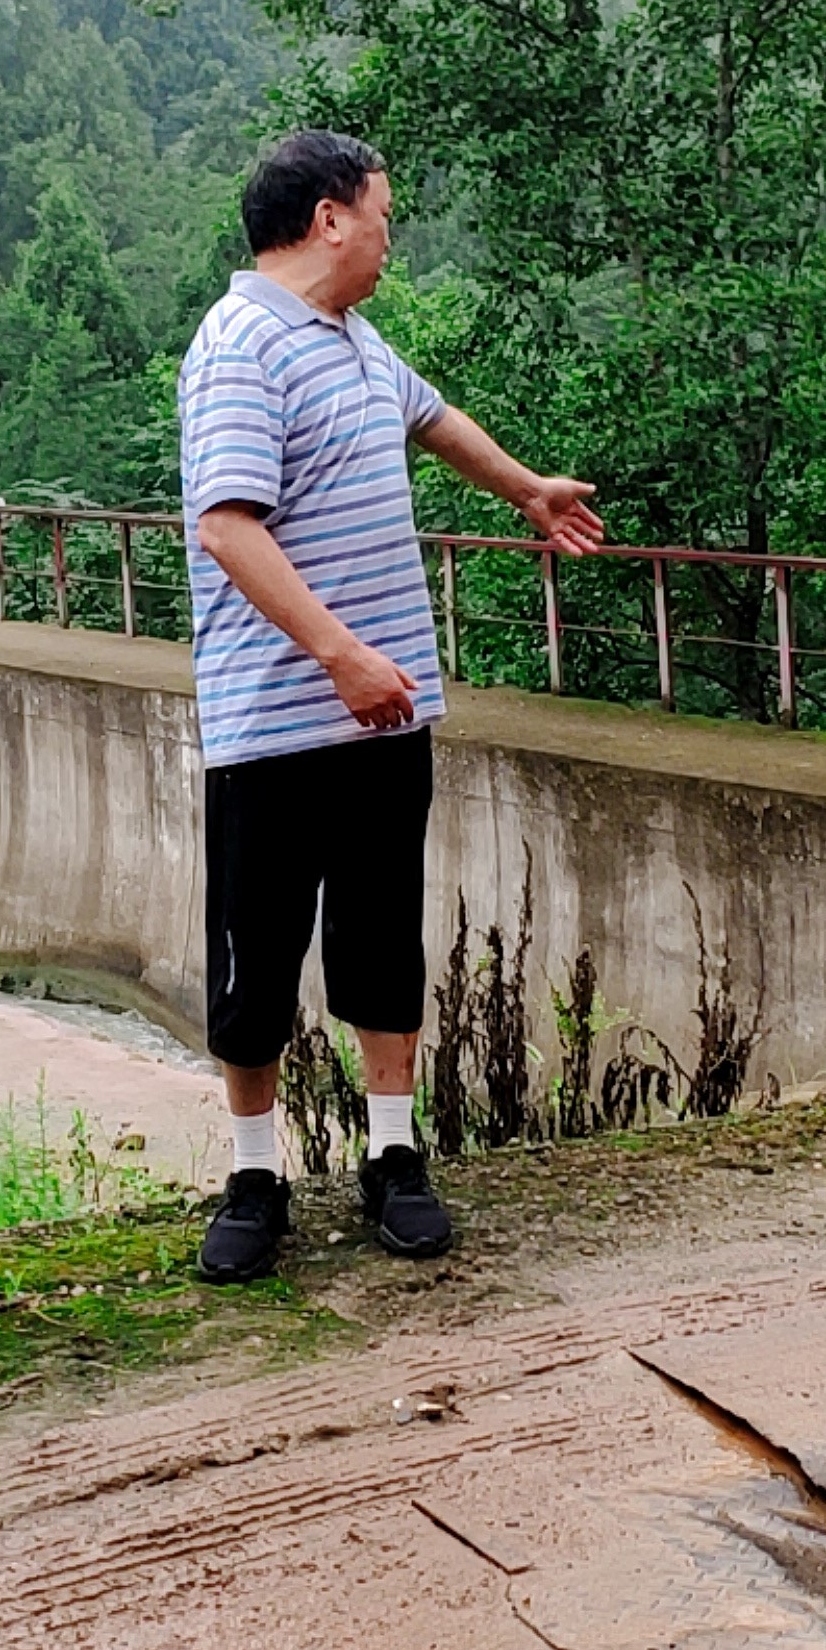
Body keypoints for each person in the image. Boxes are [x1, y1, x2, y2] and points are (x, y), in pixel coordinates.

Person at [178, 128, 605, 1284]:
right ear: (328, 218)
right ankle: (254, 1174)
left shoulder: (350, 338)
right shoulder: (240, 344)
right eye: (381, 212)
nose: (387, 234)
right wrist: (340, 656)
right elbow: (226, 527)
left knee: (378, 934)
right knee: (255, 955)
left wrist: (525, 490)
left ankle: (392, 1153)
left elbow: (430, 417)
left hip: (383, 717)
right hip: (280, 722)